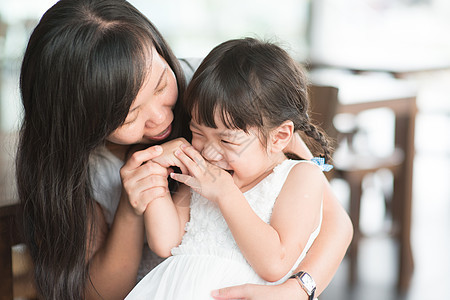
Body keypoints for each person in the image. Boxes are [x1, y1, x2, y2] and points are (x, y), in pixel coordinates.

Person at [15, 0, 352, 300]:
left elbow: (336, 222)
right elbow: (101, 292)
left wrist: (297, 290)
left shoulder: (222, 94)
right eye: (130, 116)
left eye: (162, 84)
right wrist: (133, 205)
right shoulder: (73, 165)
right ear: (84, 123)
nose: (161, 117)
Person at [124, 37, 334, 300]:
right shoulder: (204, 176)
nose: (209, 152)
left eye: (226, 140)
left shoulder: (300, 177)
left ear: (279, 137)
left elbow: (274, 264)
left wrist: (226, 194)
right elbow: (166, 242)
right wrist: (155, 179)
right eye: (197, 132)